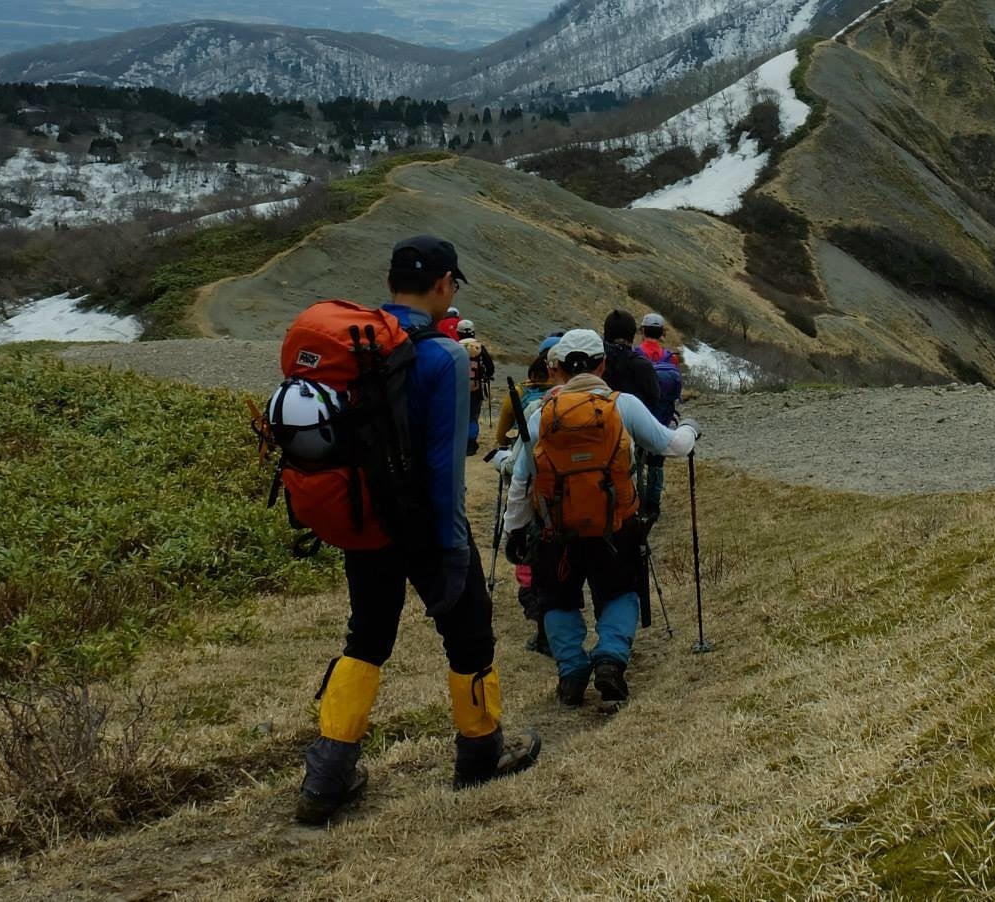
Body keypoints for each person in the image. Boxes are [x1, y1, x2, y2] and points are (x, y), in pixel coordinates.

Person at [294, 235, 539, 826]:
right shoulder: (444, 355)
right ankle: (480, 755)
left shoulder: (359, 345)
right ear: (444, 285)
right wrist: (453, 548)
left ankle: (326, 780)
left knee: (367, 638)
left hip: (365, 523)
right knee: (470, 637)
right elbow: (443, 462)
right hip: (427, 529)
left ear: (390, 281)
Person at [503, 328, 696, 706]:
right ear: (602, 364)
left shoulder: (540, 415)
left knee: (558, 600)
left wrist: (513, 529)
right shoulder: (623, 406)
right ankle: (610, 658)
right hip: (616, 525)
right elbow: (669, 445)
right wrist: (689, 429)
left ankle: (572, 671)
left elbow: (522, 479)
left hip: (556, 531)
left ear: (556, 367)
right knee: (620, 592)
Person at [491, 333, 562, 655]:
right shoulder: (606, 401)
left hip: (539, 493)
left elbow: (503, 441)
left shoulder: (527, 400)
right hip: (586, 497)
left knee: (536, 551)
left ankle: (542, 619)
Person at [601, 310, 666, 517]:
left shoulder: (597, 363)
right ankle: (636, 508)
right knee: (633, 467)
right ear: (632, 335)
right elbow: (655, 396)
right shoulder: (640, 364)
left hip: (599, 427)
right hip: (633, 430)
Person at [458, 319, 496, 427]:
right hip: (476, 390)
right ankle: (472, 439)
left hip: (458, 389)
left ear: (458, 333)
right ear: (473, 333)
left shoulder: (455, 347)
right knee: (473, 416)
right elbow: (490, 368)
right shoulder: (479, 348)